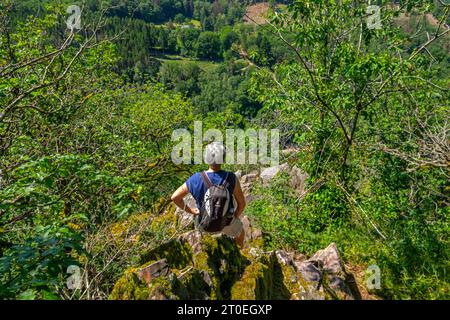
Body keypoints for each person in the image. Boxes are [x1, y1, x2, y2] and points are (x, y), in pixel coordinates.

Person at [171, 142, 246, 248]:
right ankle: (239, 253)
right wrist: (234, 217)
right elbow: (242, 204)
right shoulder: (231, 178)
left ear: (206, 159)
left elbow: (175, 197)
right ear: (223, 159)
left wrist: (191, 211)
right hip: (226, 223)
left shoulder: (196, 178)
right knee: (240, 233)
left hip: (203, 225)